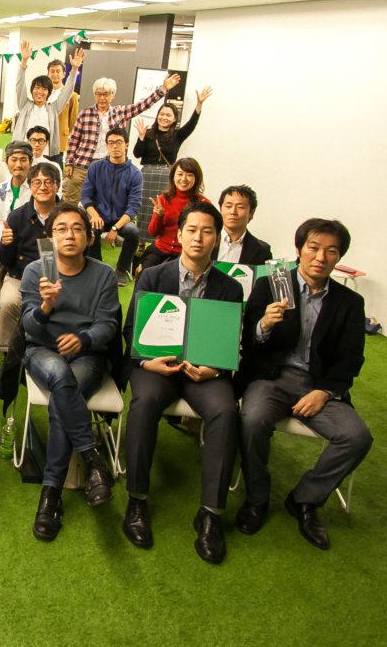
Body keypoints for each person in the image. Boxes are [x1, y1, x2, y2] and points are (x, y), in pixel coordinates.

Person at [236, 219, 370, 551]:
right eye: (313, 248)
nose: (321, 257)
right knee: (252, 420)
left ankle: (305, 500)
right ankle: (257, 497)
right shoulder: (270, 285)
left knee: (357, 437)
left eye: (331, 251)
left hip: (318, 386)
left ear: (339, 257)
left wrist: (324, 392)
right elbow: (246, 341)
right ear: (299, 250)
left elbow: (351, 359)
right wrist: (263, 325)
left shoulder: (349, 303)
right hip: (271, 377)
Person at [121, 201, 243, 564]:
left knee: (224, 411)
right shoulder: (153, 276)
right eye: (192, 230)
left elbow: (231, 344)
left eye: (207, 231)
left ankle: (211, 513)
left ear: (217, 238)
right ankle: (136, 500)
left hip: (205, 373)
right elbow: (132, 330)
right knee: (144, 403)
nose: (198, 238)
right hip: (157, 367)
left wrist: (215, 370)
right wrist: (146, 361)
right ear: (180, 233)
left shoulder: (230, 288)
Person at [21, 203, 120, 542]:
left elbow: (108, 324)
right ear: (50, 237)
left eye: (78, 228)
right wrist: (46, 305)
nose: (69, 235)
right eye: (61, 229)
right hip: (42, 351)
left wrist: (83, 338)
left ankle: (50, 494)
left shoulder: (103, 275)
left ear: (89, 237)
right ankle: (93, 459)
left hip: (87, 355)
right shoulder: (36, 271)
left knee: (61, 399)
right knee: (61, 378)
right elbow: (29, 327)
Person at [63, 72, 181, 205]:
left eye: (106, 94)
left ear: (112, 95)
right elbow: (74, 140)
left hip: (108, 167)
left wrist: (163, 89)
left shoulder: (120, 112)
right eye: (98, 94)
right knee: (70, 203)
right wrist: (69, 163)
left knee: (103, 204)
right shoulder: (84, 114)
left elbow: (142, 105)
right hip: (82, 166)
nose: (102, 98)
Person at [0, 162, 63, 356]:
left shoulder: (67, 215)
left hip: (59, 277)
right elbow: (5, 261)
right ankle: (9, 352)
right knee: (9, 302)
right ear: (31, 186)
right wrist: (6, 244)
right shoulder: (17, 216)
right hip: (19, 277)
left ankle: (53, 347)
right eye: (37, 182)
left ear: (57, 185)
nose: (42, 187)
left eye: (48, 182)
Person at [81, 128, 142, 286]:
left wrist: (116, 228)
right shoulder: (95, 168)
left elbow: (133, 207)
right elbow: (86, 196)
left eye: (119, 142)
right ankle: (98, 268)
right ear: (107, 145)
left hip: (121, 219)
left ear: (126, 145)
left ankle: (121, 270)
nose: (115, 146)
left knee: (133, 232)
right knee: (91, 228)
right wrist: (94, 215)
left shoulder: (135, 173)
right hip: (99, 216)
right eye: (111, 143)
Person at [133, 88, 212, 206]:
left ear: (174, 118)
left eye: (168, 115)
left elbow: (191, 124)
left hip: (167, 175)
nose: (164, 117)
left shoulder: (178, 135)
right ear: (157, 116)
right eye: (162, 114)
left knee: (164, 205)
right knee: (144, 205)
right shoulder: (148, 133)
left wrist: (199, 104)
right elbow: (137, 154)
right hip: (147, 174)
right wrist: (141, 137)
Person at [11, 42, 84, 164]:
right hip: (25, 152)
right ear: (32, 90)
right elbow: (19, 85)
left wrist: (74, 69)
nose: (40, 92)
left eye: (44, 89)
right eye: (37, 88)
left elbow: (67, 91)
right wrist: (24, 62)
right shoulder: (24, 105)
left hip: (47, 154)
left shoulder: (53, 108)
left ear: (49, 92)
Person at [139, 158, 208, 271]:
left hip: (186, 253)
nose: (184, 179)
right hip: (160, 249)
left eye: (189, 175)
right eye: (180, 174)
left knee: (172, 276)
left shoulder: (203, 203)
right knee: (146, 273)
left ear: (197, 178)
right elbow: (152, 232)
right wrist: (158, 215)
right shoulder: (163, 199)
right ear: (173, 176)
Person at [0, 140, 33, 249]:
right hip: (5, 244)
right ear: (6, 161)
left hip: (30, 244)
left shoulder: (36, 188)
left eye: (23, 160)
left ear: (30, 162)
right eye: (14, 159)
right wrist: (4, 240)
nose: (18, 165)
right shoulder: (1, 189)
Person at [213, 185, 273, 264]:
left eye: (240, 207)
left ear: (251, 213)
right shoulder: (206, 240)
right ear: (220, 209)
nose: (233, 212)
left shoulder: (262, 250)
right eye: (228, 206)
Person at [45, 58, 79, 166]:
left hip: (59, 140)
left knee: (56, 168)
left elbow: (73, 121)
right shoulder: (42, 93)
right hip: (42, 139)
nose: (55, 74)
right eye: (52, 71)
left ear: (64, 74)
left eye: (58, 71)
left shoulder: (72, 96)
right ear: (48, 74)